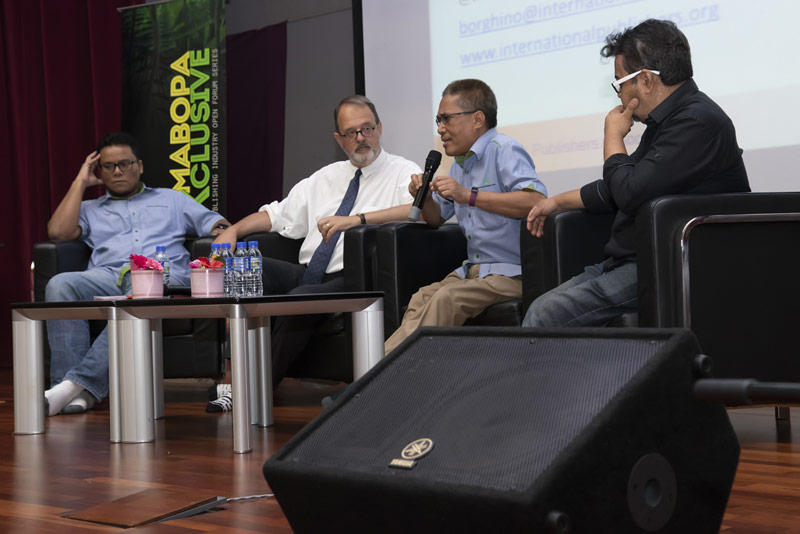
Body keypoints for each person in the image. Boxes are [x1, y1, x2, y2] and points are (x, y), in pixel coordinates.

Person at [522, 19, 750, 328]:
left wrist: (612, 136)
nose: (619, 94)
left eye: (619, 82)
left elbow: (629, 192)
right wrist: (558, 202)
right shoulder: (666, 120)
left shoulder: (696, 123)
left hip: (674, 263)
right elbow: (619, 186)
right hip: (638, 259)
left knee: (542, 315)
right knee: (540, 307)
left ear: (645, 80)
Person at [215, 95, 420, 395]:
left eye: (367, 128)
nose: (361, 138)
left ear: (380, 128)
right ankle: (232, 373)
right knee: (244, 270)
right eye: (352, 133)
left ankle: (255, 390)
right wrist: (233, 230)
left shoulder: (403, 172)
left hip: (355, 278)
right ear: (339, 139)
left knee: (301, 298)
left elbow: (416, 210)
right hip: (310, 271)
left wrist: (357, 220)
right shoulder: (324, 178)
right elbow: (275, 214)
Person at [44, 132, 230, 416]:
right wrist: (79, 182)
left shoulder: (173, 199)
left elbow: (216, 223)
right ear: (99, 171)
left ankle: (73, 387)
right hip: (107, 276)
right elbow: (58, 232)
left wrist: (222, 234)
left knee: (142, 285)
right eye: (108, 166)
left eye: (125, 163)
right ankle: (67, 390)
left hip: (163, 276)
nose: (118, 171)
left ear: (140, 166)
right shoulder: (89, 209)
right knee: (60, 284)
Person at [383, 79, 548, 354]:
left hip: (512, 273)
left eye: (446, 119)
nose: (440, 129)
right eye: (438, 120)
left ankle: (386, 379)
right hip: (473, 273)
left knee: (446, 298)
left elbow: (535, 201)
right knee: (421, 298)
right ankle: (386, 373)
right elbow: (435, 219)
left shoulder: (503, 149)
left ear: (477, 119)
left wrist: (468, 195)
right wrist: (422, 195)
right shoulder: (460, 163)